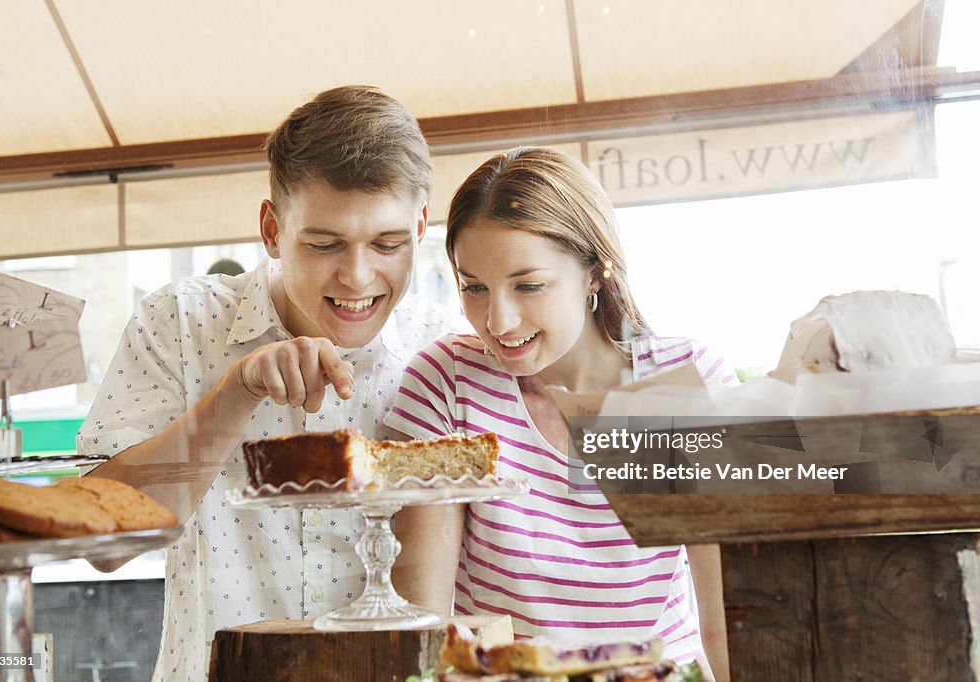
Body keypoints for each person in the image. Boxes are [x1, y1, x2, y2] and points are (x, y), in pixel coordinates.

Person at [76, 86, 464, 681]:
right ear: (270, 227)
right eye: (324, 244)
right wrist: (234, 393)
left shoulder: (446, 352)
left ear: (419, 226)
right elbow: (104, 545)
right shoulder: (180, 324)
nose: (358, 277)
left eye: (388, 244)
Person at [384, 147, 736, 679]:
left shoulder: (687, 382)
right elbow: (425, 620)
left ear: (595, 271)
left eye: (528, 285)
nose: (498, 320)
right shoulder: (448, 383)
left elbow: (730, 618)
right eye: (473, 287)